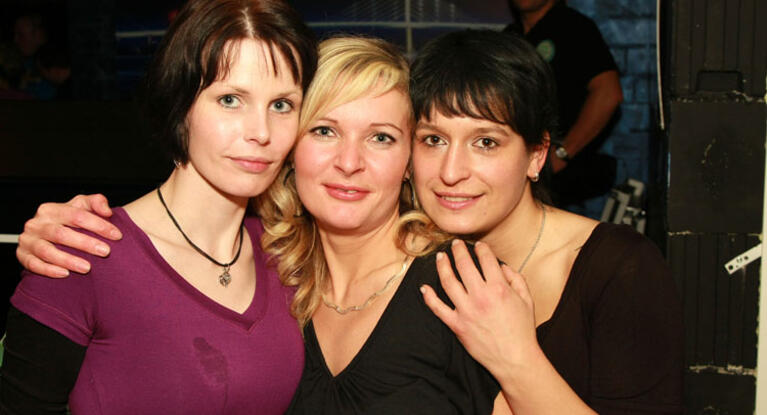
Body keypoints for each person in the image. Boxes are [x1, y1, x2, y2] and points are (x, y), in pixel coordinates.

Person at [10, 34, 508, 414]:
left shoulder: (464, 286)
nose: (349, 162)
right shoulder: (274, 266)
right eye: (324, 131)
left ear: (410, 159)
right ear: (290, 148)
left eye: (380, 137)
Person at [1, 0, 317, 413]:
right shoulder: (83, 251)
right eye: (230, 99)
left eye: (281, 105)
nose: (261, 131)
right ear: (180, 104)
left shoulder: (290, 255)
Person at [411, 30, 683, 413]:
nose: (451, 172)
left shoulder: (619, 268)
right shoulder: (404, 260)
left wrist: (514, 356)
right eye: (433, 140)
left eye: (486, 142)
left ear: (537, 155)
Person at [506, 0, 624, 208]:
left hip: (558, 178)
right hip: (517, 170)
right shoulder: (510, 37)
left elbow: (609, 93)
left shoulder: (574, 27)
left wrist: (562, 153)